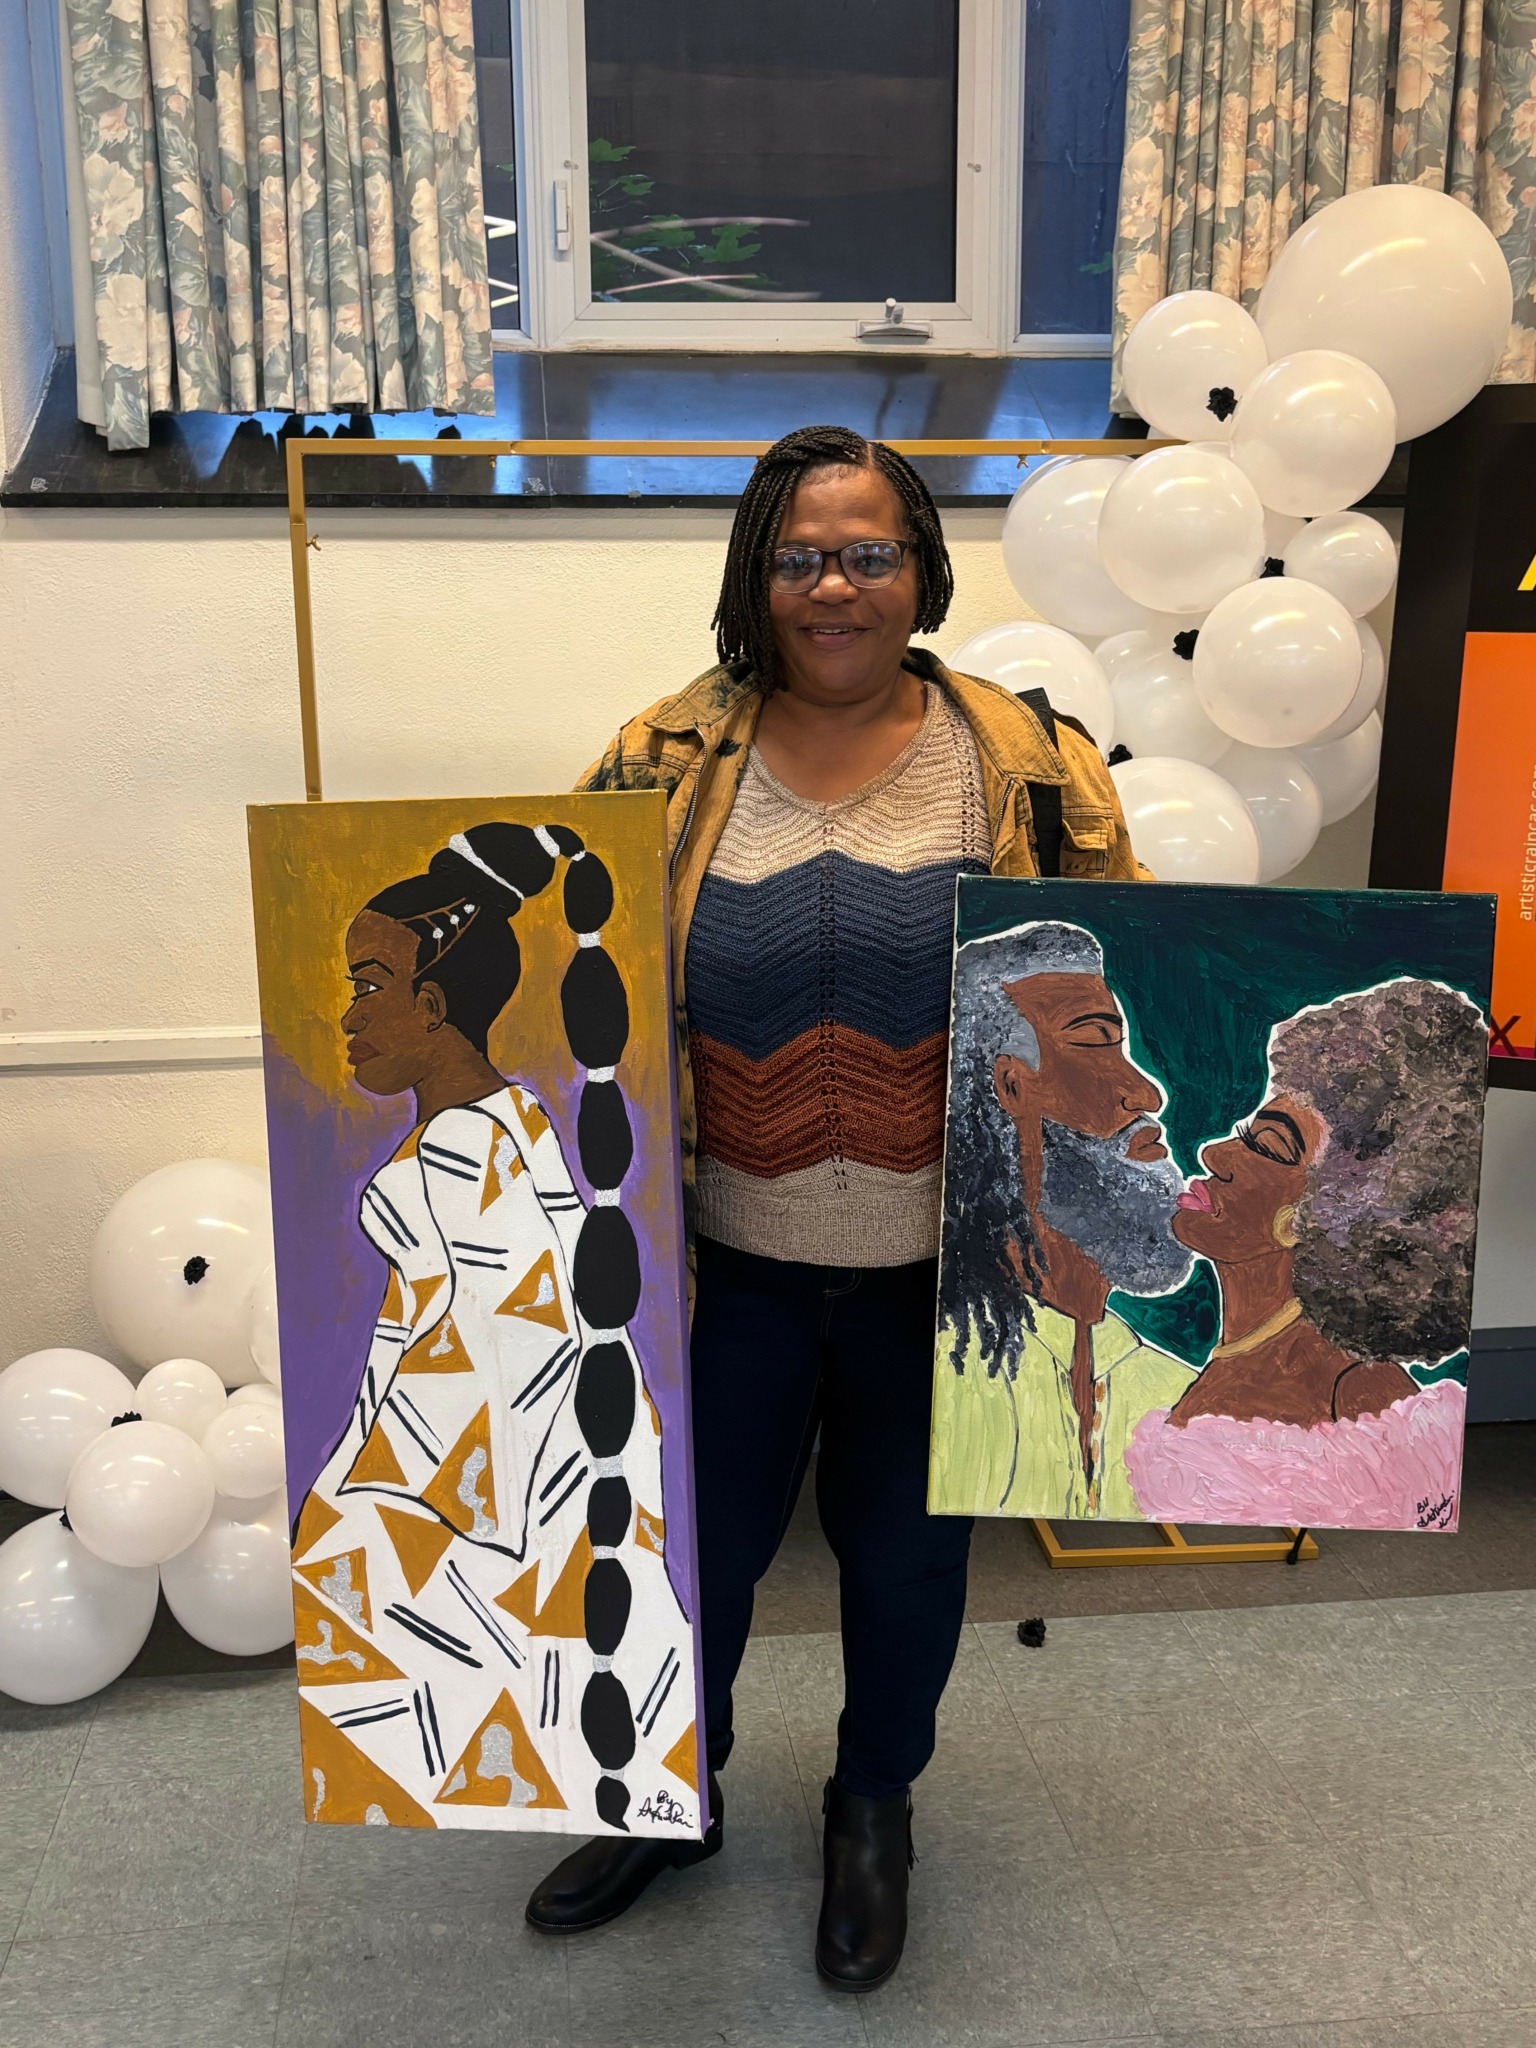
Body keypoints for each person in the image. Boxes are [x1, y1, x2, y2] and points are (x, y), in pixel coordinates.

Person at [522, 424, 1147, 1990]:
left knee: (904, 1561)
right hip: (717, 1259)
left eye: (870, 554)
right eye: (801, 557)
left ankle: (875, 1806)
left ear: (921, 572)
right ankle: (670, 1795)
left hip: (952, 1271)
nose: (835, 587)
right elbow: (556, 967)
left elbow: (1123, 973)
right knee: (687, 1553)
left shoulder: (1028, 765)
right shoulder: (663, 759)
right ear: (756, 575)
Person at [291, 821, 697, 1835]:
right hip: (536, 1497)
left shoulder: (460, 1159)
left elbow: (504, 1356)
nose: (348, 1013)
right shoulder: (510, 1125)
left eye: (368, 985)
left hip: (495, 1516)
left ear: (432, 1005)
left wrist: (364, 1509)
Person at [1126, 977, 1486, 1530]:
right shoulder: (1228, 1361)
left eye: (1268, 1146)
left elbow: (1413, 1513)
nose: (1215, 1153)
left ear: (1330, 1212)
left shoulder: (1362, 1393)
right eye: (1243, 1134)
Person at [928, 919, 1197, 1521]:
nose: (1146, 1094)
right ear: (1011, 1085)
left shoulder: (1169, 1394)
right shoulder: (950, 1373)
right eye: (1096, 1040)